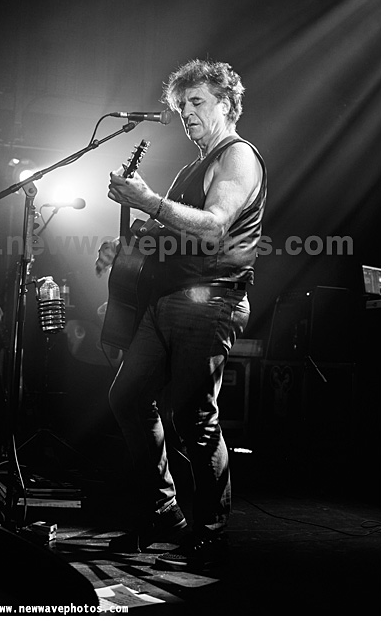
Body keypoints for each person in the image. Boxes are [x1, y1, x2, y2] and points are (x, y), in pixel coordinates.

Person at [95, 59, 267, 569]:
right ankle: (163, 512)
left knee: (194, 417)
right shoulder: (190, 168)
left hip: (211, 298)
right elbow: (169, 234)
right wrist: (125, 246)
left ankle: (211, 533)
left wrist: (149, 201)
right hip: (166, 299)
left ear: (226, 104)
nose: (186, 112)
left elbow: (213, 226)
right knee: (128, 397)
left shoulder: (237, 156)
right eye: (180, 105)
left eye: (197, 102)